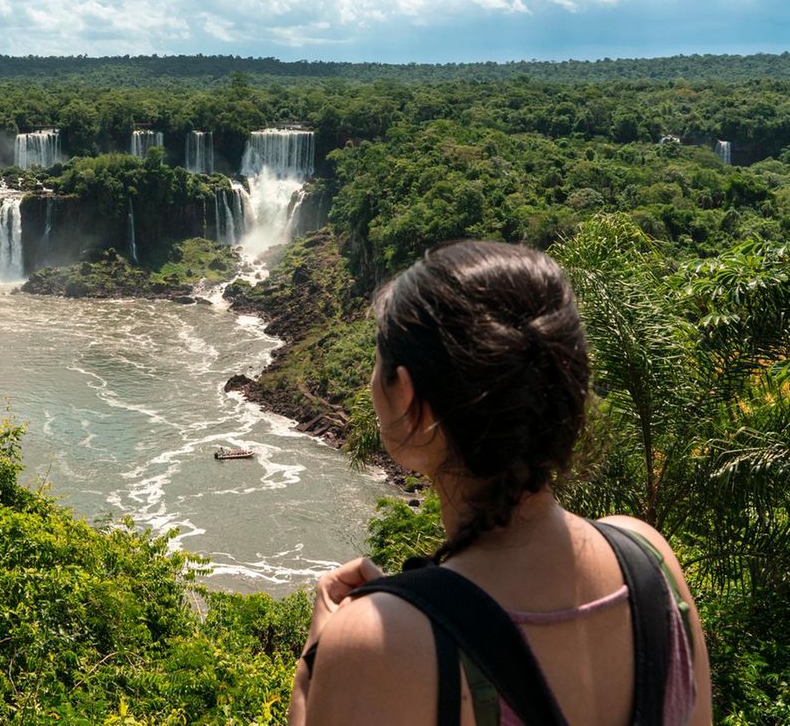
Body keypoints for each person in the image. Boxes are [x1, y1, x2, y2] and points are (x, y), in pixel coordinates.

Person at [289, 241, 711, 726]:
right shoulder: (651, 564)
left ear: (408, 395)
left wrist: (316, 663)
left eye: (378, 362)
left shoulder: (372, 642)